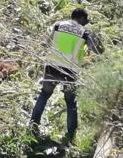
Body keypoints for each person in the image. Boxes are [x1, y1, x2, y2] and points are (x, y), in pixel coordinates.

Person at [29, 8, 100, 145]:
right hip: (70, 71)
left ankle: (33, 127)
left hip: (52, 66)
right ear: (80, 18)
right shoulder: (84, 32)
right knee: (71, 102)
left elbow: (47, 43)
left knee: (44, 95)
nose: (85, 23)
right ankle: (71, 136)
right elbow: (93, 51)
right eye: (85, 20)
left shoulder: (58, 25)